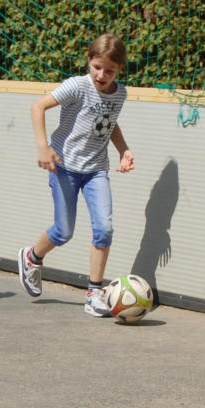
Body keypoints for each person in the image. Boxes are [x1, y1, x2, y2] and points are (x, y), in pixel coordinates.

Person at [17, 33, 135, 316]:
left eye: (109, 71)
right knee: (63, 231)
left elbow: (109, 123)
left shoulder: (120, 93)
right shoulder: (77, 86)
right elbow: (37, 107)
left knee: (104, 229)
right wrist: (43, 147)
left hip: (96, 170)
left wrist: (124, 150)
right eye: (97, 67)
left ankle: (94, 292)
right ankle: (32, 257)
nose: (101, 75)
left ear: (120, 69)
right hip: (64, 166)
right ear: (89, 61)